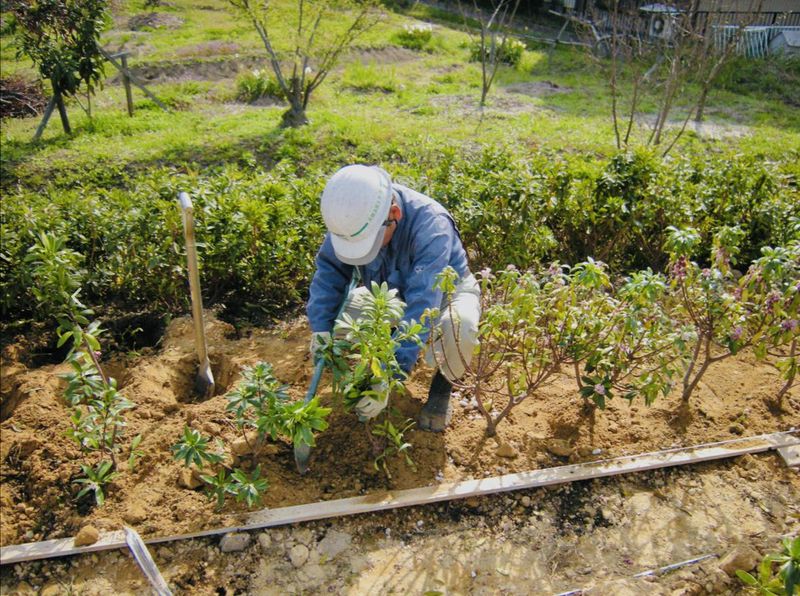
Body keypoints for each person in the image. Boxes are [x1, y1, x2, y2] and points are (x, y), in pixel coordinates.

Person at [307, 164, 480, 432]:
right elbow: (329, 272)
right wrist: (321, 328)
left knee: (461, 327)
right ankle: (367, 372)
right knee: (343, 320)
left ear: (394, 214)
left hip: (443, 296)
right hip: (387, 294)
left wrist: (392, 372)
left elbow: (424, 303)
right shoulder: (352, 214)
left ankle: (441, 390)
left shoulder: (431, 226)